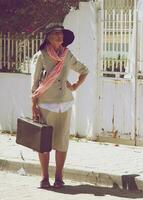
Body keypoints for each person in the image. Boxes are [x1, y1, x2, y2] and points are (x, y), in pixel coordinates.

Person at [31, 23, 89, 188]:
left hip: (65, 104)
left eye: (61, 34)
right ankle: (44, 177)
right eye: (56, 34)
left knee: (62, 142)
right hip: (46, 104)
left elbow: (84, 70)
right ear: (48, 37)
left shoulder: (67, 55)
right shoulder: (40, 56)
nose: (59, 36)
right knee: (44, 143)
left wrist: (75, 86)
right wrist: (33, 106)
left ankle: (59, 177)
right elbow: (34, 84)